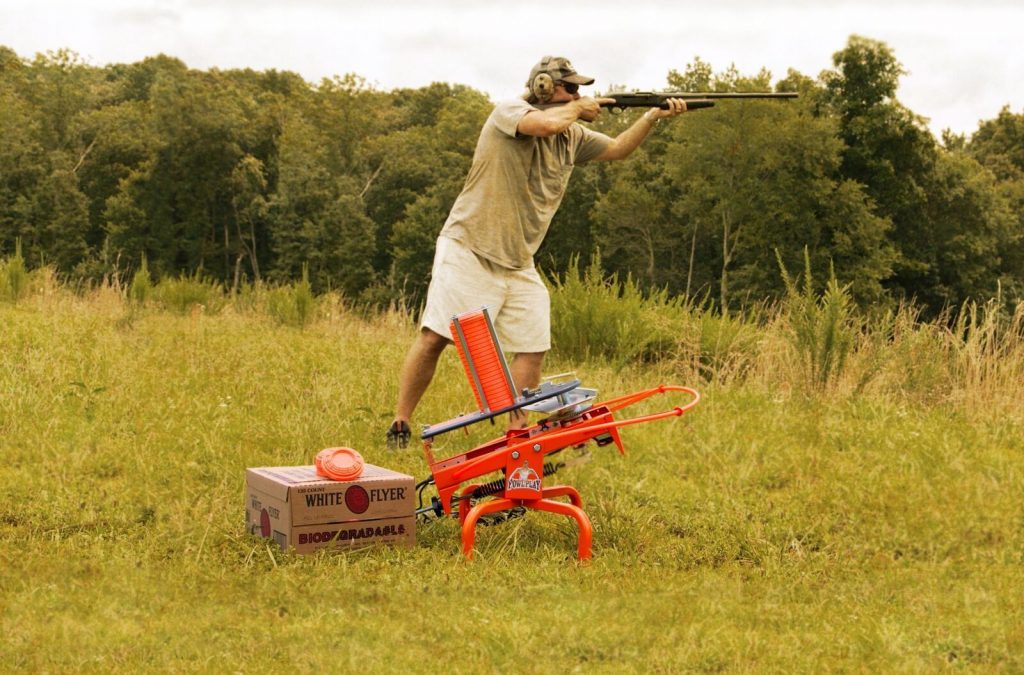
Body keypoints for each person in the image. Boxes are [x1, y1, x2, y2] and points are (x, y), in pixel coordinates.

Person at [386, 55, 688, 449]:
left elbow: (617, 150)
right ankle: (400, 422)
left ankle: (517, 431)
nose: (579, 94)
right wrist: (577, 108)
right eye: (571, 88)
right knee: (435, 338)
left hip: (518, 260)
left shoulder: (572, 136)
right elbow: (543, 124)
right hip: (470, 247)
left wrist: (651, 117)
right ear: (544, 86)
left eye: (580, 89)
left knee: (532, 344)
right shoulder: (511, 111)